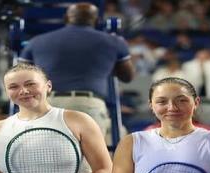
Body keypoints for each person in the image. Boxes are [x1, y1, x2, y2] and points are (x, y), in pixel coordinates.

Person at [18, 2, 134, 145]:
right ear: (97, 20)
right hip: (89, 105)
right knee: (90, 157)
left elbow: (19, 76)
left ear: (66, 18)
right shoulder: (114, 42)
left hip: (48, 104)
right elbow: (127, 76)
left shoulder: (37, 41)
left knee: (46, 153)